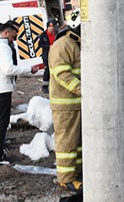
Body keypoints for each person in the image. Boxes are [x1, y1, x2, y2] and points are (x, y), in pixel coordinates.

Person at [0, 21, 38, 165]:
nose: (13, 40)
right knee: (1, 122)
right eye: (13, 36)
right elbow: (8, 69)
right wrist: (29, 69)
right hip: (0, 89)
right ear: (5, 33)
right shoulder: (2, 47)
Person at [49, 10, 83, 191]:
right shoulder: (63, 44)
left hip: (75, 103)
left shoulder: (74, 43)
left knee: (77, 143)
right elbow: (62, 73)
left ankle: (76, 173)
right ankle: (66, 178)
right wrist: (83, 90)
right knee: (67, 142)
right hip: (66, 104)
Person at [38, 20, 58, 94]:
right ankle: (45, 87)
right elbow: (40, 45)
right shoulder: (43, 35)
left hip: (55, 55)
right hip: (46, 56)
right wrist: (48, 46)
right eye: (50, 26)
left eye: (53, 26)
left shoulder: (57, 34)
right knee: (47, 71)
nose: (51, 28)